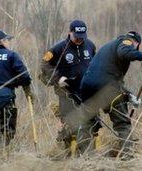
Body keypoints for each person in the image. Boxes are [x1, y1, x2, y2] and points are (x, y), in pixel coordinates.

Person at [77, 31, 142, 158]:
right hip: (106, 88)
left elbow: (109, 77)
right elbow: (124, 53)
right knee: (122, 124)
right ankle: (127, 157)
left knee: (88, 122)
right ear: (136, 44)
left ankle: (84, 157)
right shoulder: (126, 42)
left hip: (87, 87)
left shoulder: (110, 47)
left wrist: (129, 96)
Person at [39, 20, 96, 154]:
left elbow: (95, 64)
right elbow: (45, 65)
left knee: (89, 122)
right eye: (76, 37)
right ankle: (67, 152)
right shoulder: (59, 48)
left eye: (82, 37)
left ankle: (87, 154)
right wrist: (58, 78)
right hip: (66, 92)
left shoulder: (90, 46)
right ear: (69, 32)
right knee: (69, 123)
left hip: (86, 91)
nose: (79, 40)